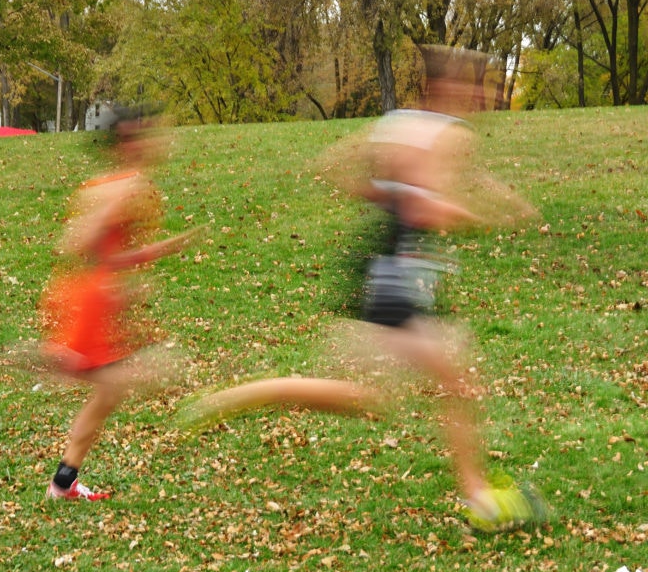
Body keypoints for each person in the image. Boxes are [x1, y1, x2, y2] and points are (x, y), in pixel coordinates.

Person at [182, 46, 546, 532]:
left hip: (389, 273)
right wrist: (480, 216)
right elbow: (425, 209)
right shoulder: (439, 135)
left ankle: (475, 490)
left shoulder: (399, 125)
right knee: (385, 392)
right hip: (397, 281)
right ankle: (245, 396)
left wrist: (386, 191)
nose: (473, 96)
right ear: (445, 88)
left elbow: (339, 166)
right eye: (467, 86)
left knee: (419, 387)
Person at [40, 117, 198, 501]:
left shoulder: (113, 184)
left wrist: (154, 252)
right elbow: (79, 243)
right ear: (130, 141)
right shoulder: (122, 187)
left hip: (94, 296)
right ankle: (61, 483)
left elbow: (105, 250)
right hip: (93, 298)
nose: (157, 142)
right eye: (147, 135)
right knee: (115, 385)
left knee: (109, 392)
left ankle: (63, 483)